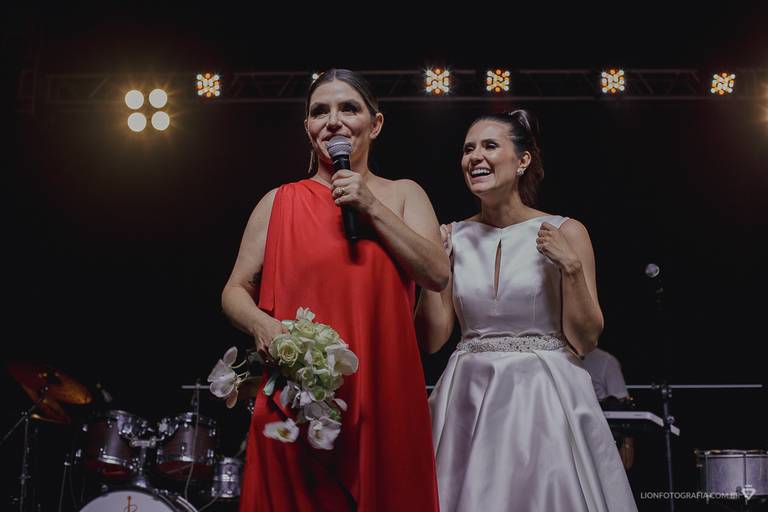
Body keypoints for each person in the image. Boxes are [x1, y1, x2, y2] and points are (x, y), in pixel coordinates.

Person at [221, 69, 448, 512]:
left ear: (375, 124)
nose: (333, 121)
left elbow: (437, 274)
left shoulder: (404, 194)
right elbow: (233, 290)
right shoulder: (278, 202)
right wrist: (261, 324)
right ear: (307, 127)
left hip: (383, 393)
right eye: (320, 112)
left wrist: (370, 205)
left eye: (349, 108)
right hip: (298, 397)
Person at [416, 110, 637, 511]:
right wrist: (433, 270)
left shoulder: (565, 231)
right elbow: (432, 340)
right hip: (469, 393)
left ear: (522, 160)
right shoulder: (452, 236)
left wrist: (571, 268)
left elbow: (586, 341)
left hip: (544, 394)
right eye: (468, 149)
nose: (475, 157)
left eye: (489, 146)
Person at [582, 347, 635, 470]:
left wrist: (628, 443)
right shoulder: (559, 360)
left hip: (599, 435)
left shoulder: (605, 360)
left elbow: (622, 404)